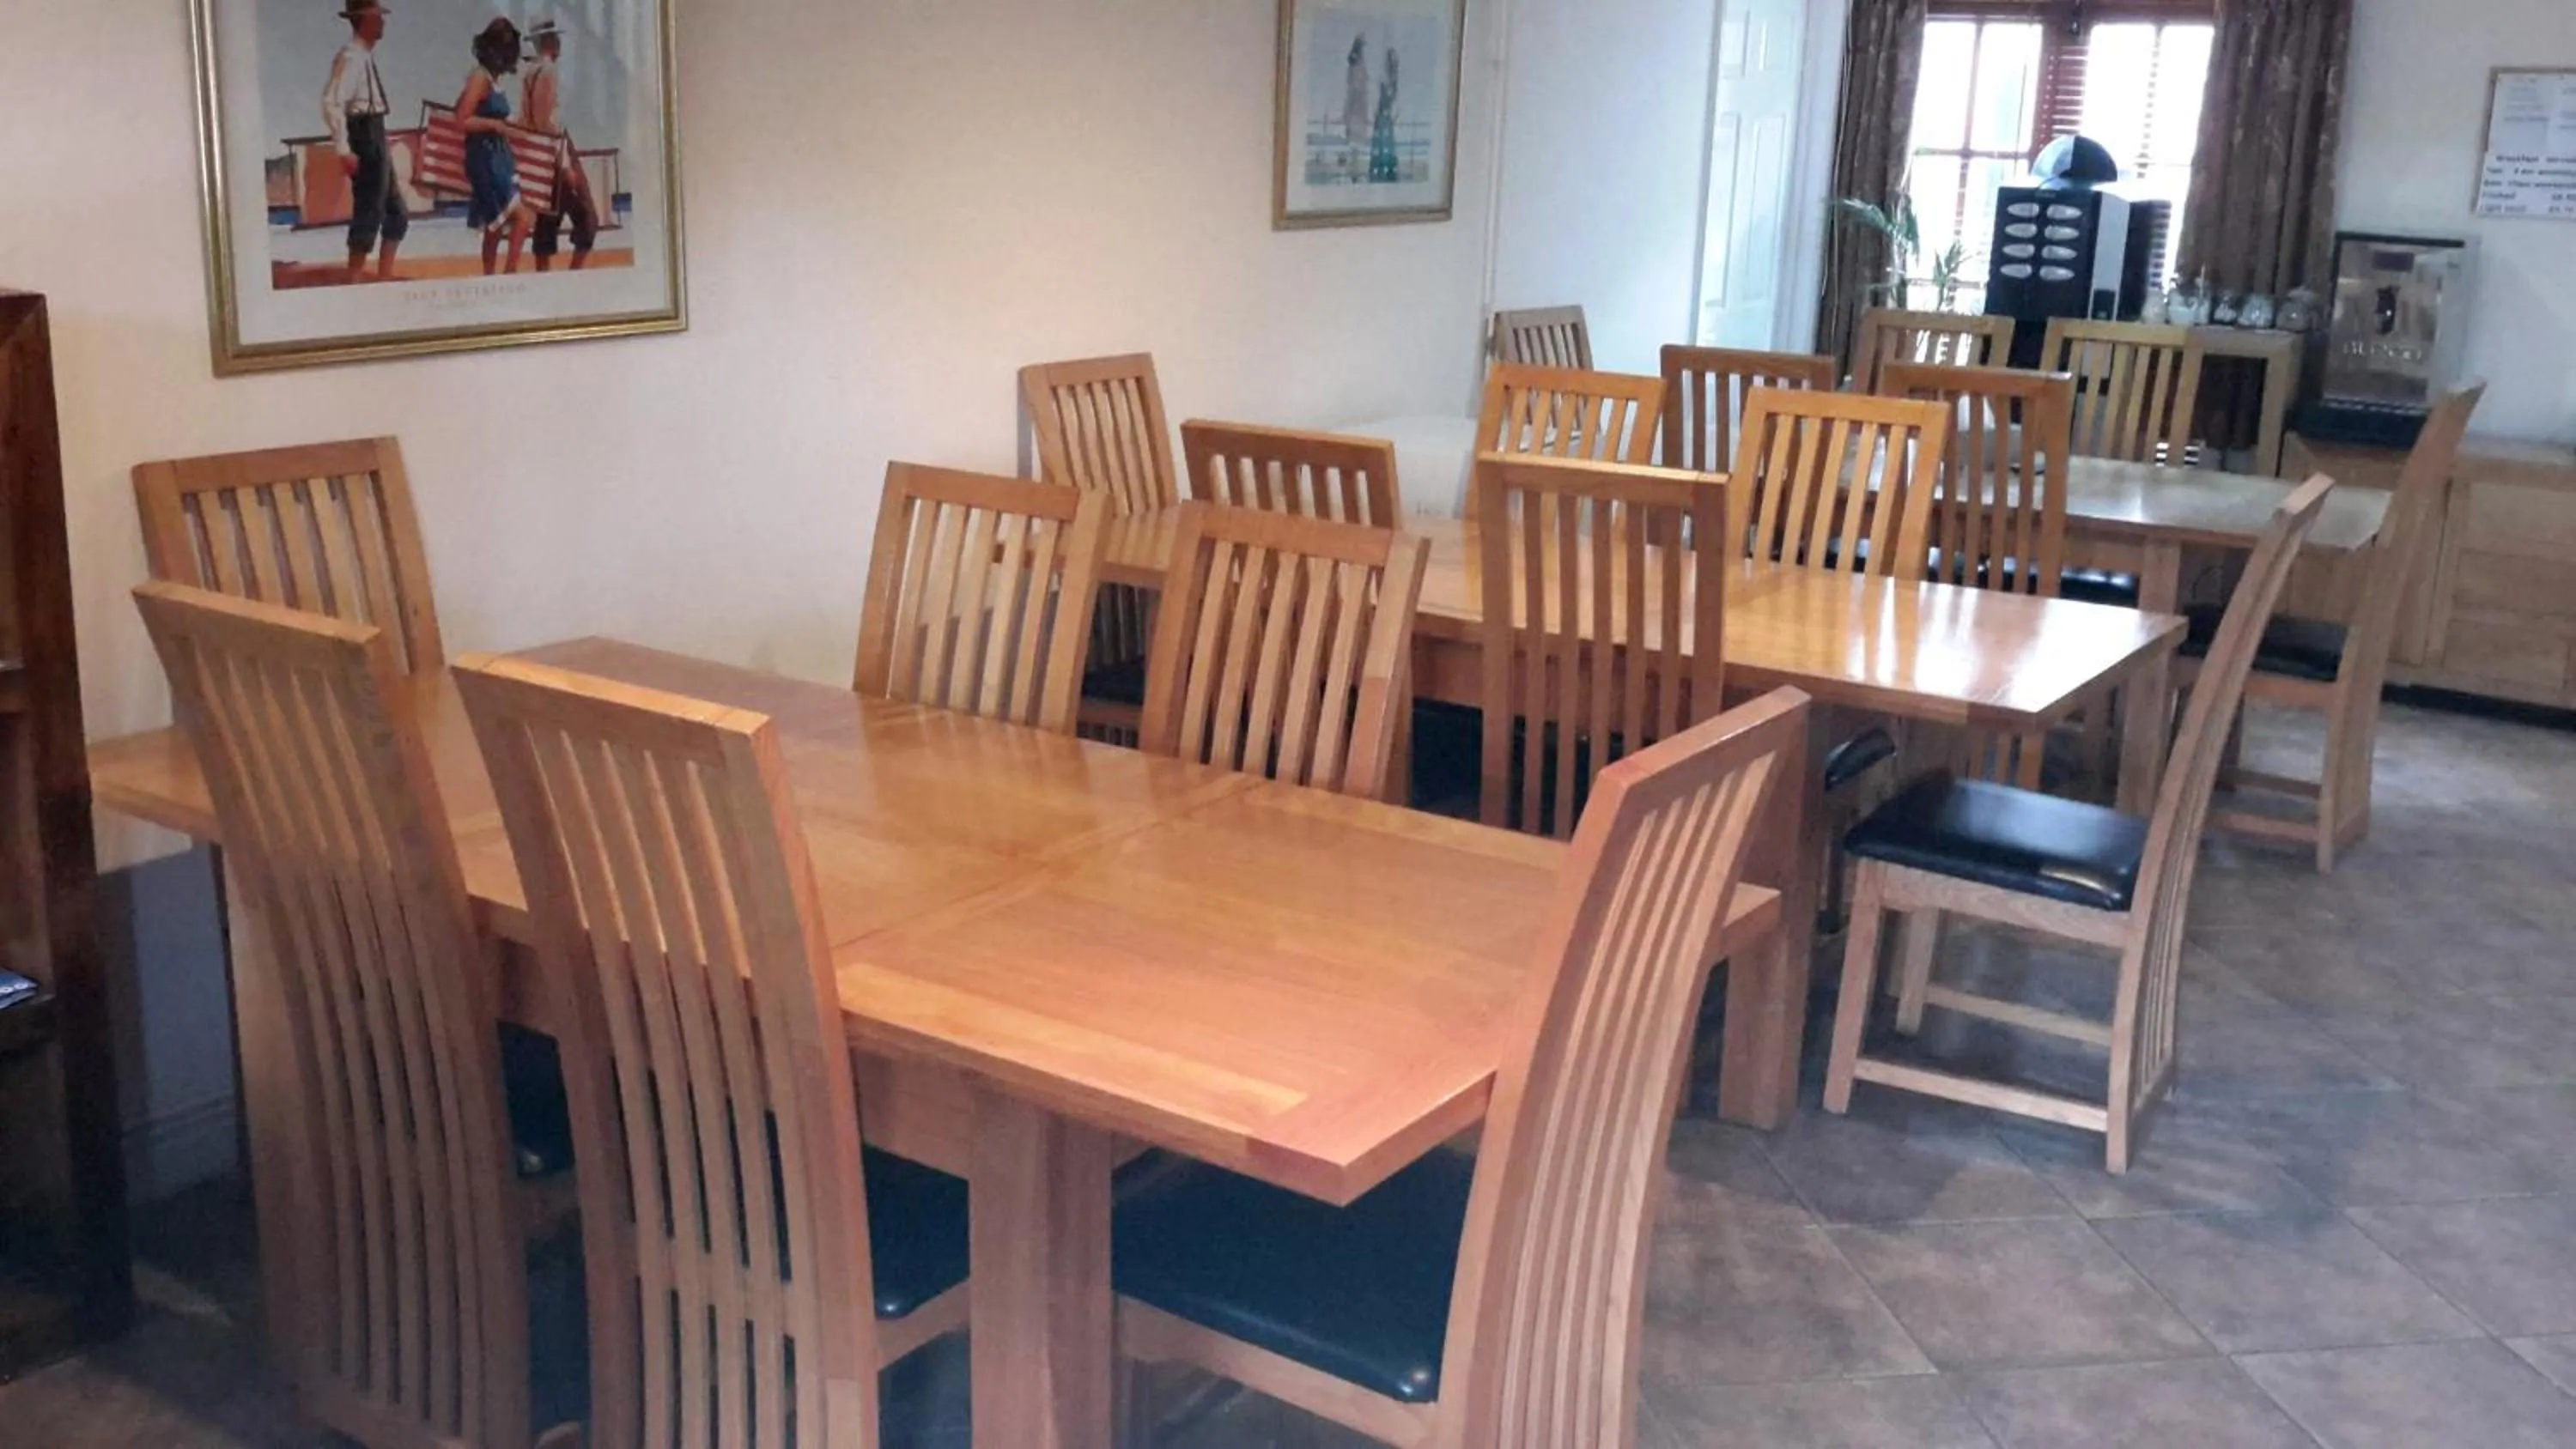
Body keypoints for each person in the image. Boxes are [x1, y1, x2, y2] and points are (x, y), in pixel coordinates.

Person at [320, 0, 404, 281]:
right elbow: (332, 102)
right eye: (377, 16)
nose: (383, 22)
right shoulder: (352, 57)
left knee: (397, 212)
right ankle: (354, 280)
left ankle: (384, 277)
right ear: (364, 20)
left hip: (375, 130)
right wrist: (344, 149)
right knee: (369, 209)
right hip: (365, 134)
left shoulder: (363, 55)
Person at [456, 18, 536, 276]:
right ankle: (508, 272)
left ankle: (491, 275)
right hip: (485, 158)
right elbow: (462, 119)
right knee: (521, 217)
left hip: (498, 156)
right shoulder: (480, 77)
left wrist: (508, 127)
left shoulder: (491, 78)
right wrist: (495, 125)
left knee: (495, 224)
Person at [519, 19, 596, 273]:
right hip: (555, 148)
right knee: (586, 218)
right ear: (550, 42)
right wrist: (564, 164)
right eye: (556, 38)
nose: (560, 44)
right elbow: (548, 123)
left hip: (540, 150)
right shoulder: (548, 71)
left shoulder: (531, 71)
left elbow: (529, 120)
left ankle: (547, 279)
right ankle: (573, 276)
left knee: (548, 220)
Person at [1370, 48, 1402, 183]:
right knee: (1381, 144)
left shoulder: (1393, 81)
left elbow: (1394, 100)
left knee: (1387, 144)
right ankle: (1378, 173)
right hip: (1383, 117)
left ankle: (1388, 173)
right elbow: (1379, 100)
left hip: (1386, 118)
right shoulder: (1384, 80)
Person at [1341, 34, 1371, 171]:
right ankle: (1353, 164)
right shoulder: (1356, 64)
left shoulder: (1358, 64)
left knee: (1356, 135)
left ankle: (1355, 165)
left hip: (1358, 102)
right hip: (1356, 102)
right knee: (1354, 134)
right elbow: (1356, 84)